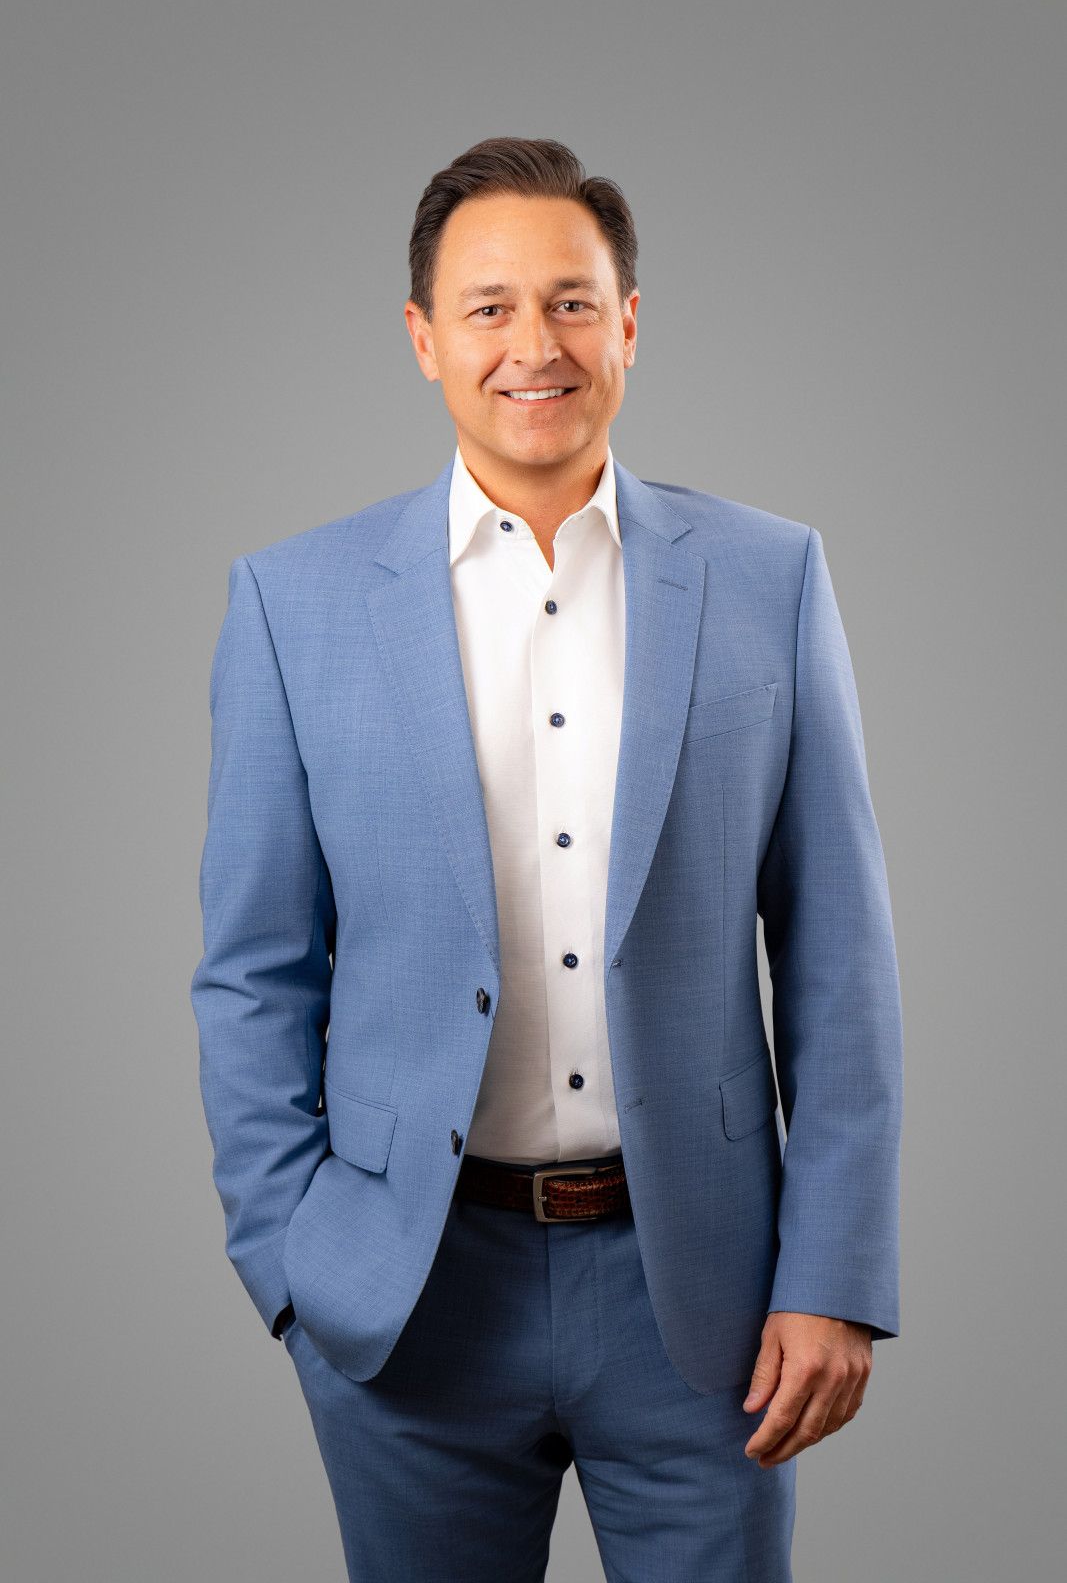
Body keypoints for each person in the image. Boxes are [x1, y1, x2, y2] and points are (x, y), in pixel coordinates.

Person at [191, 135, 903, 1582]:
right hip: (410, 1296)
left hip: (704, 1300)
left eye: (573, 302)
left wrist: (833, 1278)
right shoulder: (292, 604)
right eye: (492, 307)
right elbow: (254, 969)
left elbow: (839, 957)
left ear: (630, 321)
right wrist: (293, 1263)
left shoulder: (771, 580)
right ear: (423, 338)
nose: (537, 345)